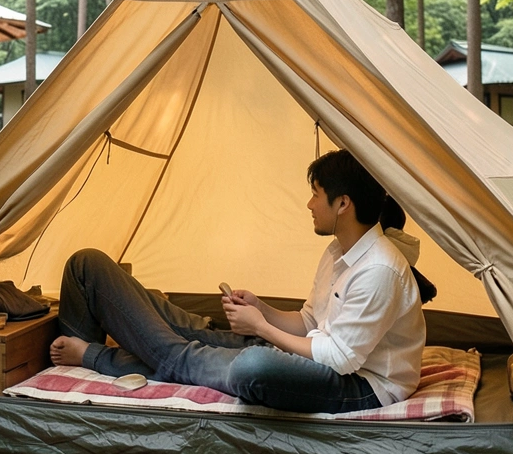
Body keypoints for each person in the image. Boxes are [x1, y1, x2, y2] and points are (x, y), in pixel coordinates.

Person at [48, 149, 426, 414]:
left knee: (252, 366)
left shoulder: (379, 270)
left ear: (343, 204)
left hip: (361, 387)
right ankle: (161, 347)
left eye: (315, 195)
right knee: (90, 266)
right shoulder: (339, 252)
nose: (309, 205)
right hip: (321, 358)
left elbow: (341, 359)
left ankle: (96, 357)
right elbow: (311, 323)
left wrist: (260, 328)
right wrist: (262, 310)